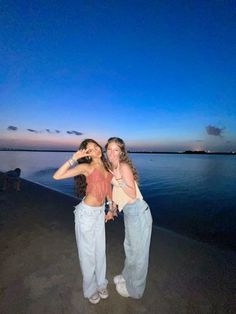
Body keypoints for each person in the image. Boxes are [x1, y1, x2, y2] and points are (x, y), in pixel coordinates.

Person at [53, 139, 113, 304]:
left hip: (100, 213)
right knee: (87, 254)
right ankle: (90, 289)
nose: (96, 150)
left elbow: (108, 189)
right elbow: (57, 176)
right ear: (86, 154)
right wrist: (73, 158)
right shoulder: (86, 167)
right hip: (86, 214)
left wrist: (111, 208)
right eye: (90, 149)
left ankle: (101, 284)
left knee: (100, 250)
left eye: (96, 147)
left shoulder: (107, 166)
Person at [105, 137, 153, 299]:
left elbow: (132, 193)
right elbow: (116, 191)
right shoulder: (112, 166)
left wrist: (118, 178)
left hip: (139, 212)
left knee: (138, 255)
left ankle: (136, 290)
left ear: (121, 152)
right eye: (109, 149)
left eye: (115, 150)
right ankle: (126, 277)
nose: (111, 153)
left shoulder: (123, 166)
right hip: (130, 213)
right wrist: (112, 208)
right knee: (130, 249)